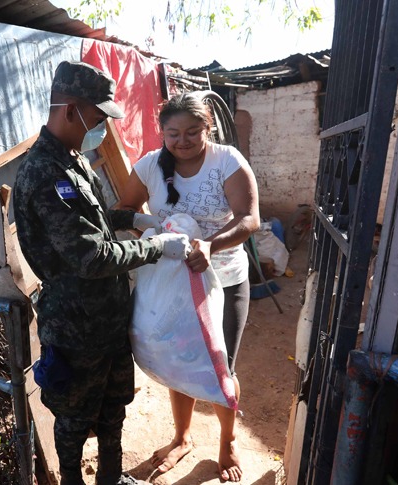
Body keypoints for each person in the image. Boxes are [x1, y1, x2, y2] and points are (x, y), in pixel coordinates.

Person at [13, 61, 193, 485]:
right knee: (75, 419)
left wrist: (132, 218)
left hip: (107, 321)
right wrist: (155, 247)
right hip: (76, 328)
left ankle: (111, 479)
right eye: (97, 118)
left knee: (114, 409)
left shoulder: (73, 163)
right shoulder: (43, 173)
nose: (102, 129)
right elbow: (89, 256)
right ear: (71, 110)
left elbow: (90, 224)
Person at [116, 93, 260, 482]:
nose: (183, 141)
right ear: (162, 132)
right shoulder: (148, 166)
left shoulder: (226, 161)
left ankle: (227, 442)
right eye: (174, 133)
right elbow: (123, 211)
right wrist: (157, 232)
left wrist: (211, 246)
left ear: (207, 128)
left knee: (219, 363)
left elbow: (250, 220)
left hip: (224, 280)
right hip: (173, 285)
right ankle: (182, 438)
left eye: (193, 132)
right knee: (180, 359)